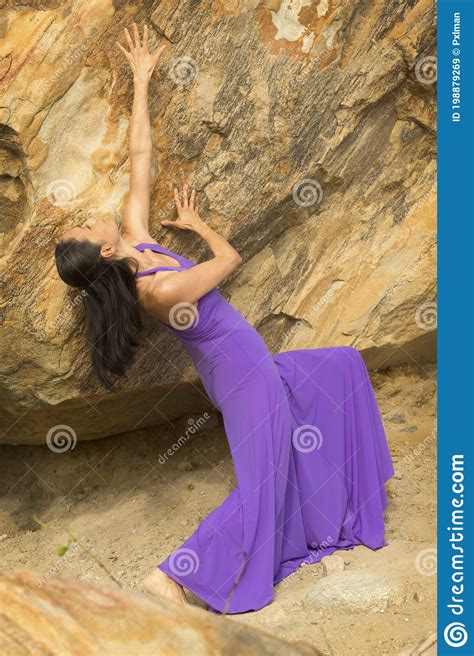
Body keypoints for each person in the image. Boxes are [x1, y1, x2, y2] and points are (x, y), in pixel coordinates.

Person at [55, 24, 394, 614]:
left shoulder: (136, 239)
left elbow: (141, 155)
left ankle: (334, 508)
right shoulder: (157, 286)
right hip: (244, 376)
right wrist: (199, 227)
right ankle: (173, 576)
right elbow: (229, 260)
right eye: (87, 229)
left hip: (249, 363)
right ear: (104, 252)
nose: (92, 219)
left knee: (339, 368)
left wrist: (140, 79)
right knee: (263, 483)